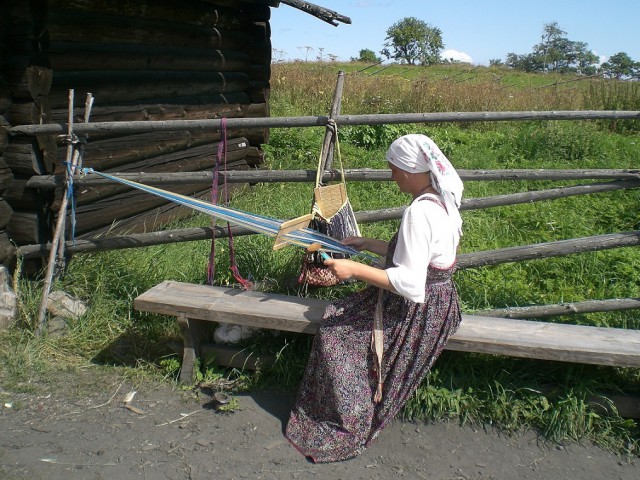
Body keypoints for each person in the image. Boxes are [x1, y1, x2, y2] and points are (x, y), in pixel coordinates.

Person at [285, 134, 464, 463]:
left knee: (335, 334)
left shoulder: (419, 213)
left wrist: (353, 268)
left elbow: (410, 284)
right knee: (342, 315)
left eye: (393, 169)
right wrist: (369, 244)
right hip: (440, 302)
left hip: (416, 310)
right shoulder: (441, 199)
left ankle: (350, 417)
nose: (392, 175)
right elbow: (420, 257)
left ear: (410, 170)